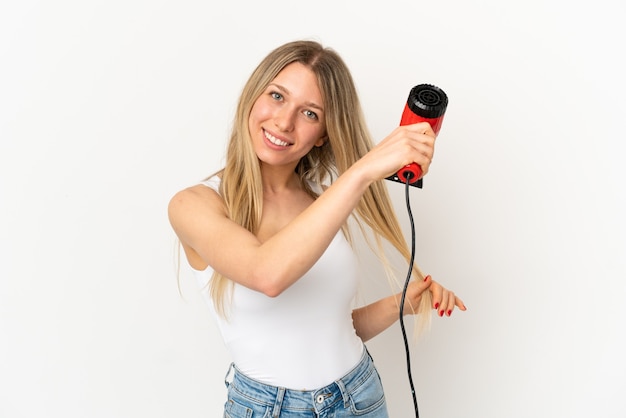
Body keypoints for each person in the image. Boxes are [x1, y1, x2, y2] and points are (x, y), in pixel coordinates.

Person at [168, 39, 466, 418]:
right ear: (253, 96)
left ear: (324, 133)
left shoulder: (320, 203)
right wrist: (363, 171)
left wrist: (402, 303)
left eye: (310, 113)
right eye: (277, 96)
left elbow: (332, 326)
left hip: (360, 395)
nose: (283, 121)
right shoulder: (195, 205)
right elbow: (267, 274)